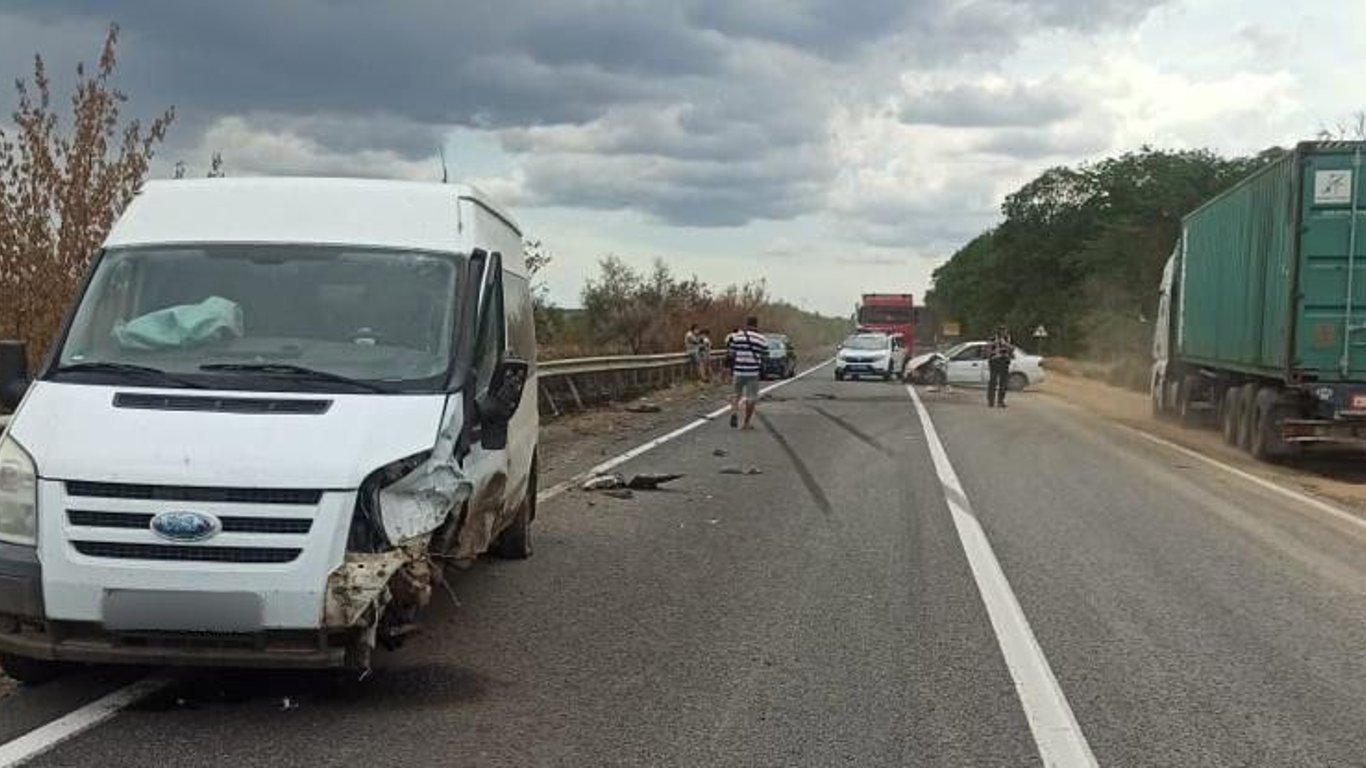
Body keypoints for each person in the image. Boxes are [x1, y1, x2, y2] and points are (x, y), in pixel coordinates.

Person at [727, 317, 769, 429]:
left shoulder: (737, 336)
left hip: (738, 370)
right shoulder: (761, 338)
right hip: (753, 372)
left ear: (746, 324)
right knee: (751, 397)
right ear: (756, 325)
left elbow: (731, 353)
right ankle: (746, 423)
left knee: (736, 394)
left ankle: (734, 413)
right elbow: (765, 354)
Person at [986, 324, 1014, 408]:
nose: (1003, 332)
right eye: (1002, 330)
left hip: (1004, 361)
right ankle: (991, 401)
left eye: (1004, 330)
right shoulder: (993, 338)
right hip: (995, 361)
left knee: (1003, 383)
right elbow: (988, 349)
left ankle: (1000, 401)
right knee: (993, 382)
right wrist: (995, 345)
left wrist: (1006, 345)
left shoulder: (1008, 338)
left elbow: (1012, 349)